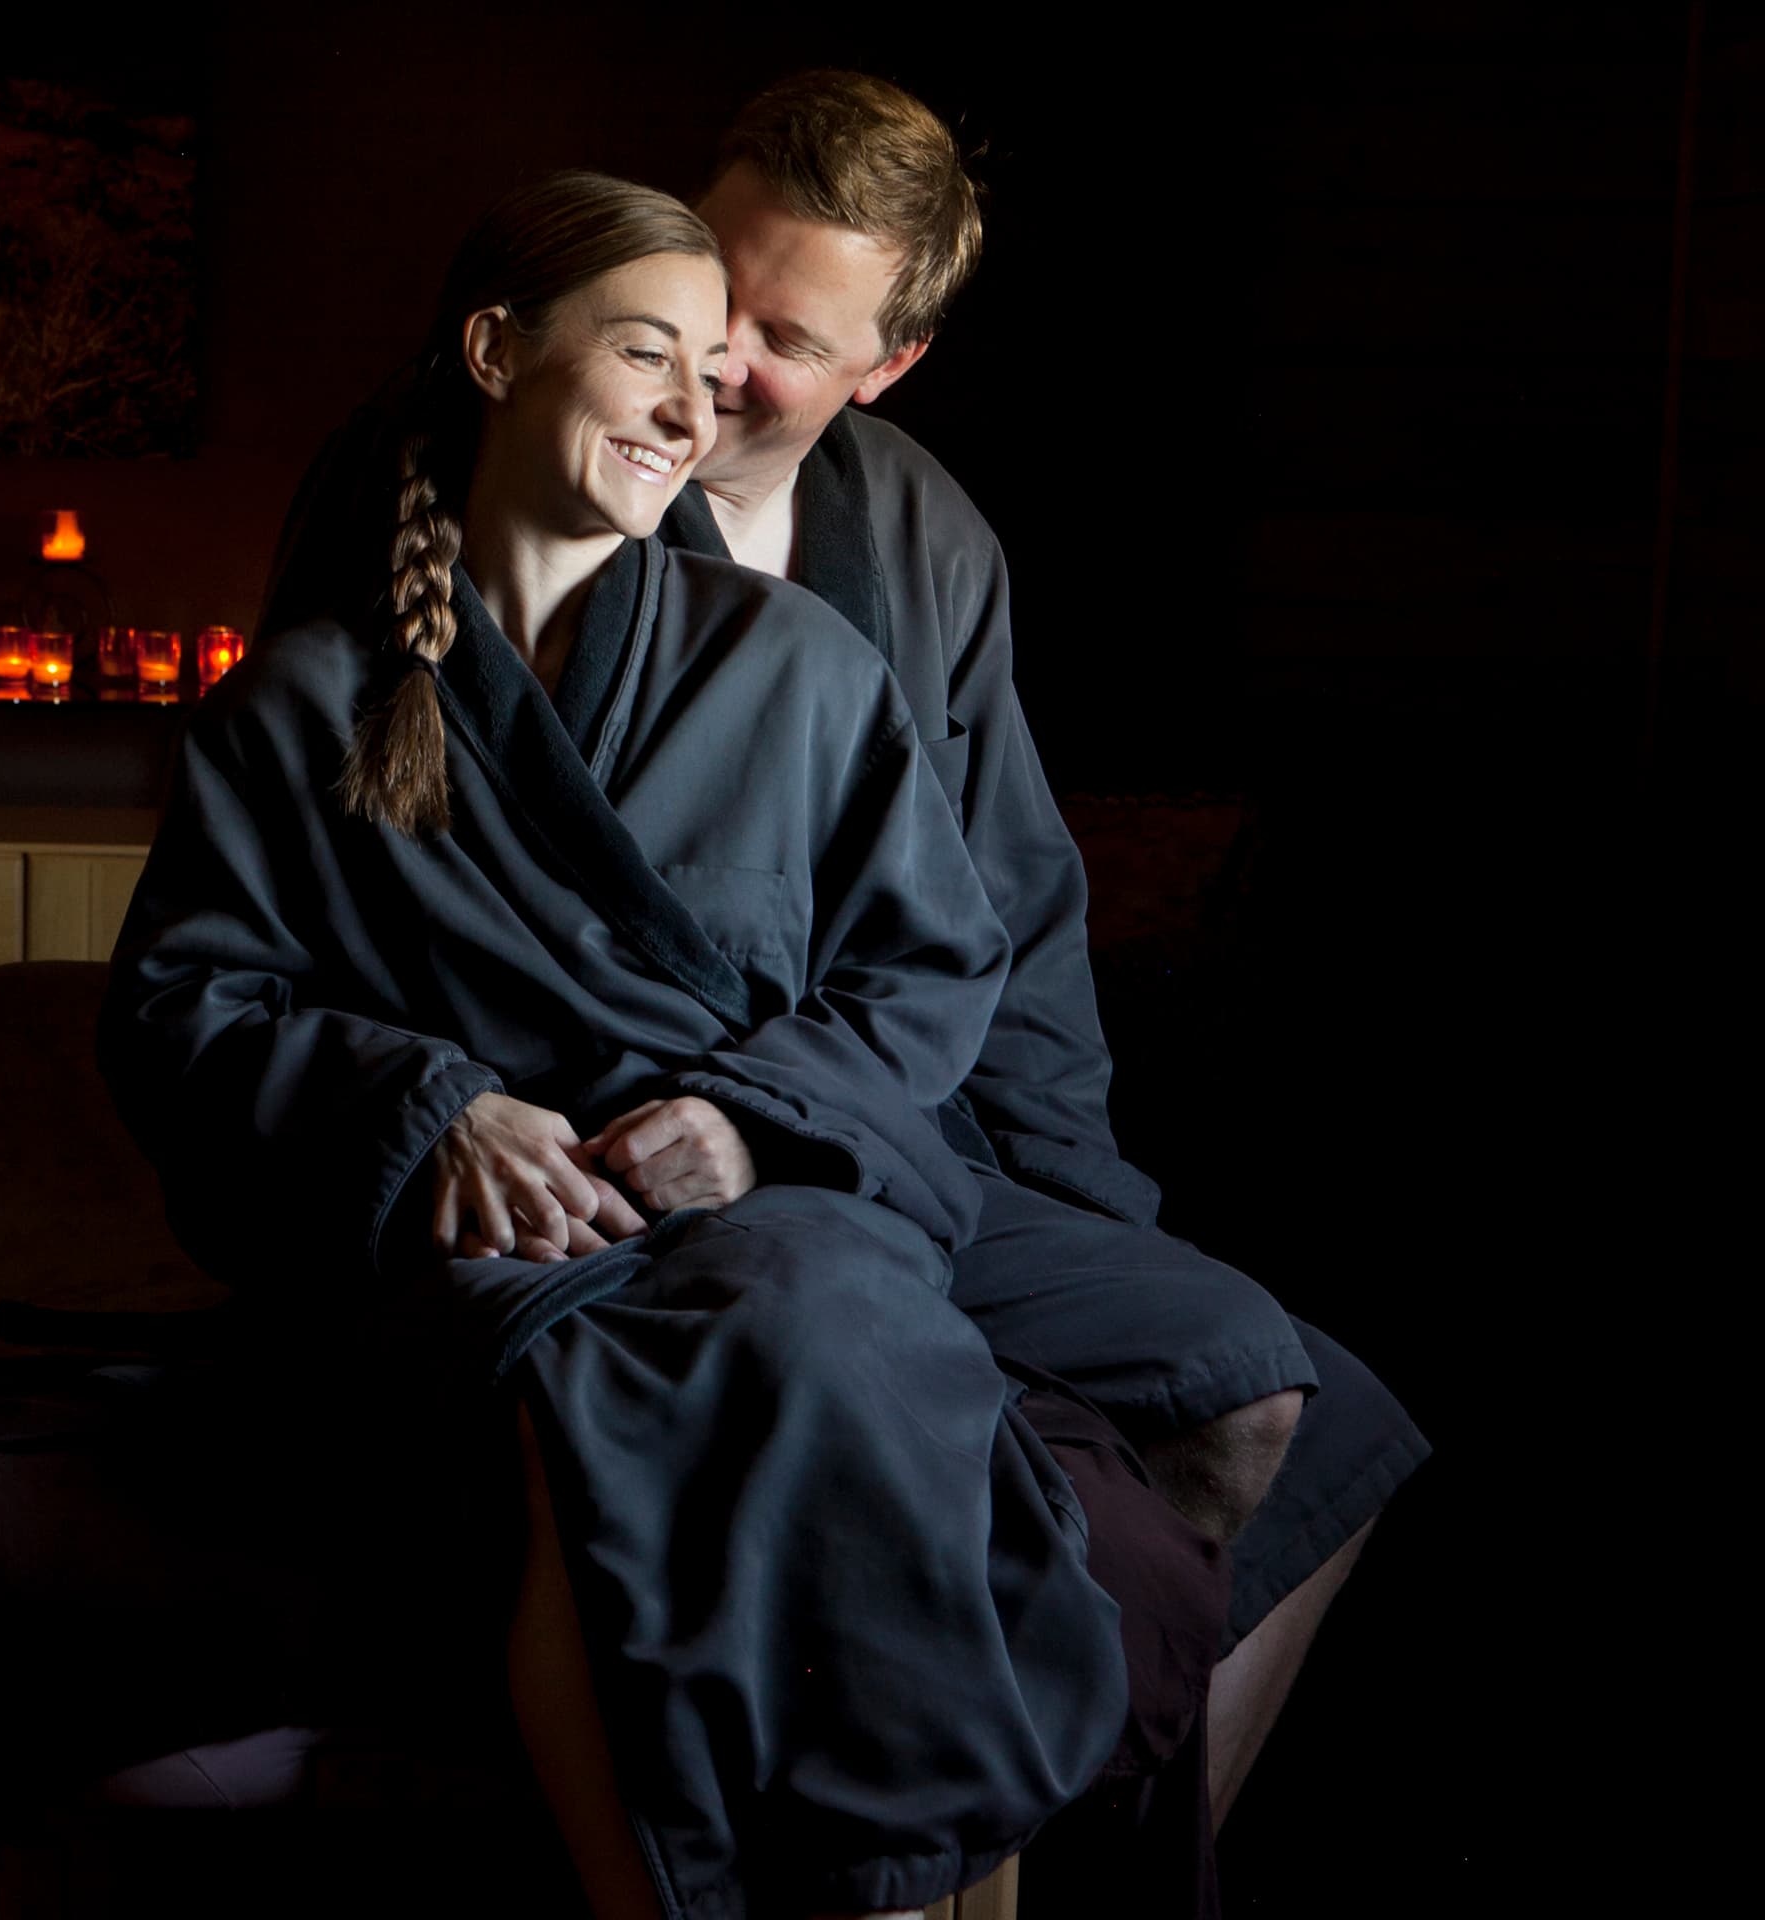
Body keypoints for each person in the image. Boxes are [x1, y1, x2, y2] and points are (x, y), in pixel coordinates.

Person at [104, 170, 1171, 1920]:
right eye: (648, 356)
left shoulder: (802, 666)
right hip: (505, 1238)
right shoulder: (301, 702)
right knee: (586, 1407)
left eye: (720, 365)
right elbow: (177, 1012)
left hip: (765, 1202)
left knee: (838, 1331)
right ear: (496, 350)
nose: (698, 410)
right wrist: (427, 1105)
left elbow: (931, 968)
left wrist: (747, 1126)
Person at [659, 69, 1430, 1844]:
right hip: (704, 1151)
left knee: (1306, 1409)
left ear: (890, 365)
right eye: (711, 284)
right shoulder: (557, 471)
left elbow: (1012, 914)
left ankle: (1110, 1863)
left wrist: (1089, 1212)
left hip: (915, 1133)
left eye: (785, 334)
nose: (712, 364)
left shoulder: (921, 533)